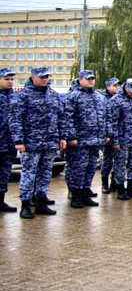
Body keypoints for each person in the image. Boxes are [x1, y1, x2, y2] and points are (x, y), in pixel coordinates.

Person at [10, 66, 64, 218]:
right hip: (31, 143)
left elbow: (61, 117)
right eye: (41, 77)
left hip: (50, 142)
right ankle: (25, 205)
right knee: (29, 174)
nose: (45, 79)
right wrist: (19, 140)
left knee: (45, 173)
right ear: (33, 77)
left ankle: (41, 202)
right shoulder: (23, 96)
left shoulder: (53, 95)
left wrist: (62, 137)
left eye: (46, 76)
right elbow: (15, 119)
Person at [61, 70, 105, 208]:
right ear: (80, 80)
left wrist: (105, 135)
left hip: (95, 140)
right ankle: (75, 195)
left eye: (93, 79)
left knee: (91, 168)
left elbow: (104, 117)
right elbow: (67, 118)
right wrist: (71, 136)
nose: (91, 81)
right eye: (88, 79)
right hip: (80, 141)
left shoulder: (99, 97)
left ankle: (86, 193)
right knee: (78, 169)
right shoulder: (73, 97)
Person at [105, 79, 132, 200]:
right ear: (126, 88)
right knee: (120, 165)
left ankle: (131, 187)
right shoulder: (116, 101)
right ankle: (120, 188)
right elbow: (113, 123)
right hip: (122, 140)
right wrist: (115, 141)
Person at [0, 67, 17, 213]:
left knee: (5, 173)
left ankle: (1, 201)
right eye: (6, 79)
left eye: (12, 79)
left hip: (9, 143)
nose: (10, 82)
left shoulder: (15, 97)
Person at [100, 78, 120, 194]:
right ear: (108, 86)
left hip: (119, 135)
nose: (117, 87)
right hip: (108, 135)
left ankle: (115, 183)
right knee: (107, 160)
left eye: (118, 85)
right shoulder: (103, 99)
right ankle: (104, 183)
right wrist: (107, 135)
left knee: (118, 160)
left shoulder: (119, 99)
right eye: (114, 85)